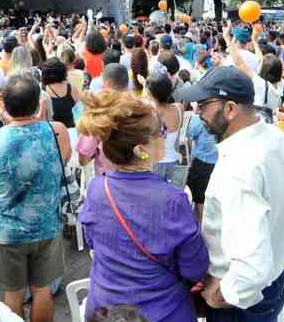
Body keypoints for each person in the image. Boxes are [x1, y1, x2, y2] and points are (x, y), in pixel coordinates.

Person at [175, 66, 284, 321]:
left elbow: (252, 266)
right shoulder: (276, 137)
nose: (197, 113)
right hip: (271, 284)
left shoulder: (240, 169)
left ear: (230, 109)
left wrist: (219, 295)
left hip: (241, 300)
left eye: (203, 105)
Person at [77, 90, 210, 322]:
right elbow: (194, 268)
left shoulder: (97, 188)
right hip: (161, 311)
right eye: (161, 131)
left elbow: (92, 241)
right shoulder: (172, 200)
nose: (165, 135)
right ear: (141, 150)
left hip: (105, 310)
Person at [0, 73, 71, 322]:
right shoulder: (58, 131)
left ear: (4, 104)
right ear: (40, 103)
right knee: (43, 291)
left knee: (13, 293)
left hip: (10, 230)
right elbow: (63, 160)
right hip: (48, 225)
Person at [76, 64, 130, 175]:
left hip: (107, 183)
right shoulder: (141, 109)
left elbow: (83, 159)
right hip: (136, 180)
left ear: (107, 84)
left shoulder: (99, 112)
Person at [144, 71, 183, 182]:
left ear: (150, 93)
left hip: (154, 164)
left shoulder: (149, 114)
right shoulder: (179, 109)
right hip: (174, 162)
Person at [185, 114, 218, 219]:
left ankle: (200, 228)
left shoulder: (200, 118)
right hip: (220, 161)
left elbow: (190, 134)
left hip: (202, 162)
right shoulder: (228, 115)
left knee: (199, 199)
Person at [42, 57, 80, 129]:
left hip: (53, 130)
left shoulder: (43, 91)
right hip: (71, 129)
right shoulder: (71, 88)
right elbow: (80, 109)